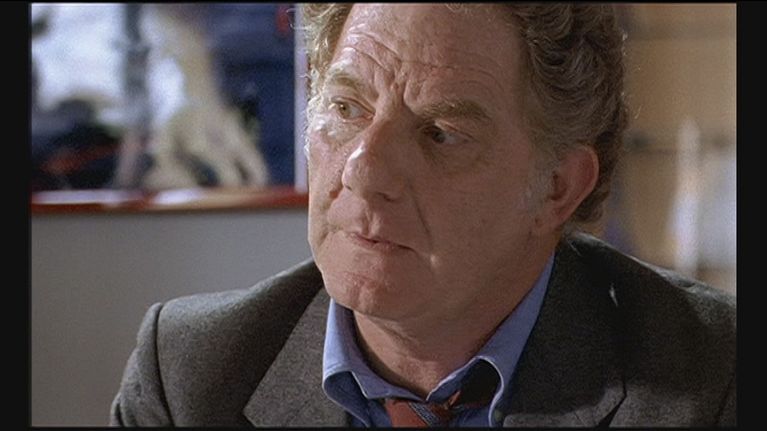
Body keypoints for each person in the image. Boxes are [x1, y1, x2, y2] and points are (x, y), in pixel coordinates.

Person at [110, 4, 735, 427]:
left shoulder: (715, 377)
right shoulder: (194, 374)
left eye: (440, 133)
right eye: (347, 108)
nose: (364, 170)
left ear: (556, 188)